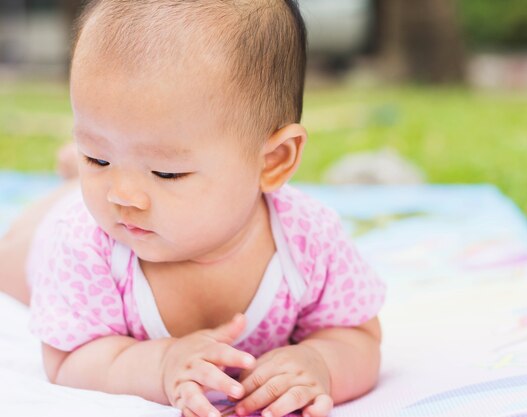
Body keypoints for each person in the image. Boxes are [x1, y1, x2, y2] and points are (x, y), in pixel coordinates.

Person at [0, 1, 386, 417]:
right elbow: (68, 360)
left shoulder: (307, 239)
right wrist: (161, 365)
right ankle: (73, 179)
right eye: (95, 156)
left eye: (166, 173)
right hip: (49, 232)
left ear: (272, 162)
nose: (123, 195)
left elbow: (358, 335)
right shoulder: (84, 242)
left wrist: (320, 363)